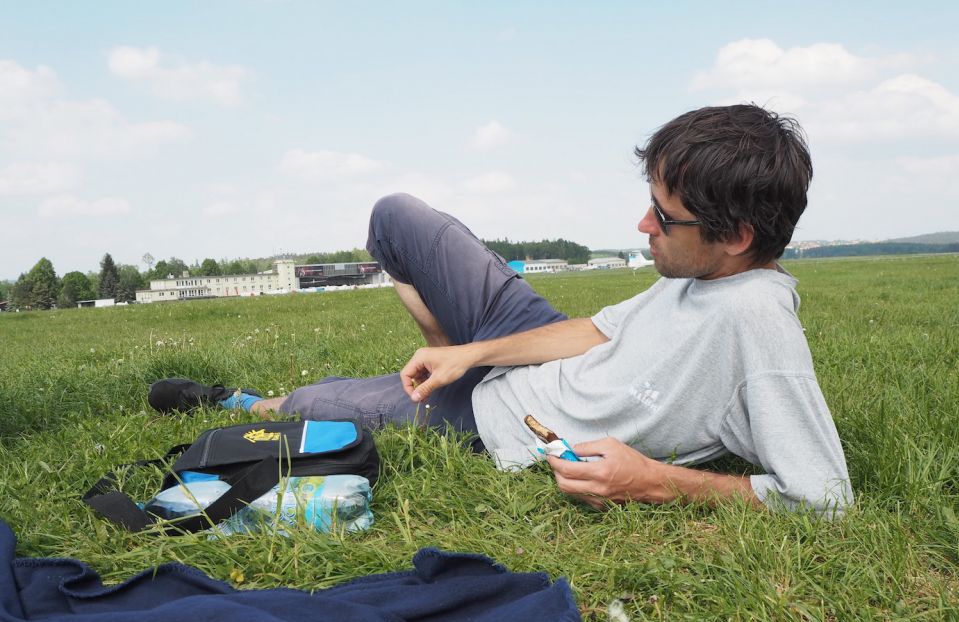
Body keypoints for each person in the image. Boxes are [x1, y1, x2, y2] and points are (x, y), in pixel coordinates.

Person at [150, 104, 852, 515]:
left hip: (508, 421)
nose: (643, 226)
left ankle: (241, 401)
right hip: (530, 352)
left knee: (317, 404)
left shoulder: (757, 324)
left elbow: (824, 497)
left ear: (736, 237)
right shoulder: (698, 274)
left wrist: (653, 481)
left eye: (664, 218)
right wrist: (469, 352)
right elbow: (595, 331)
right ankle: (440, 368)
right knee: (398, 217)